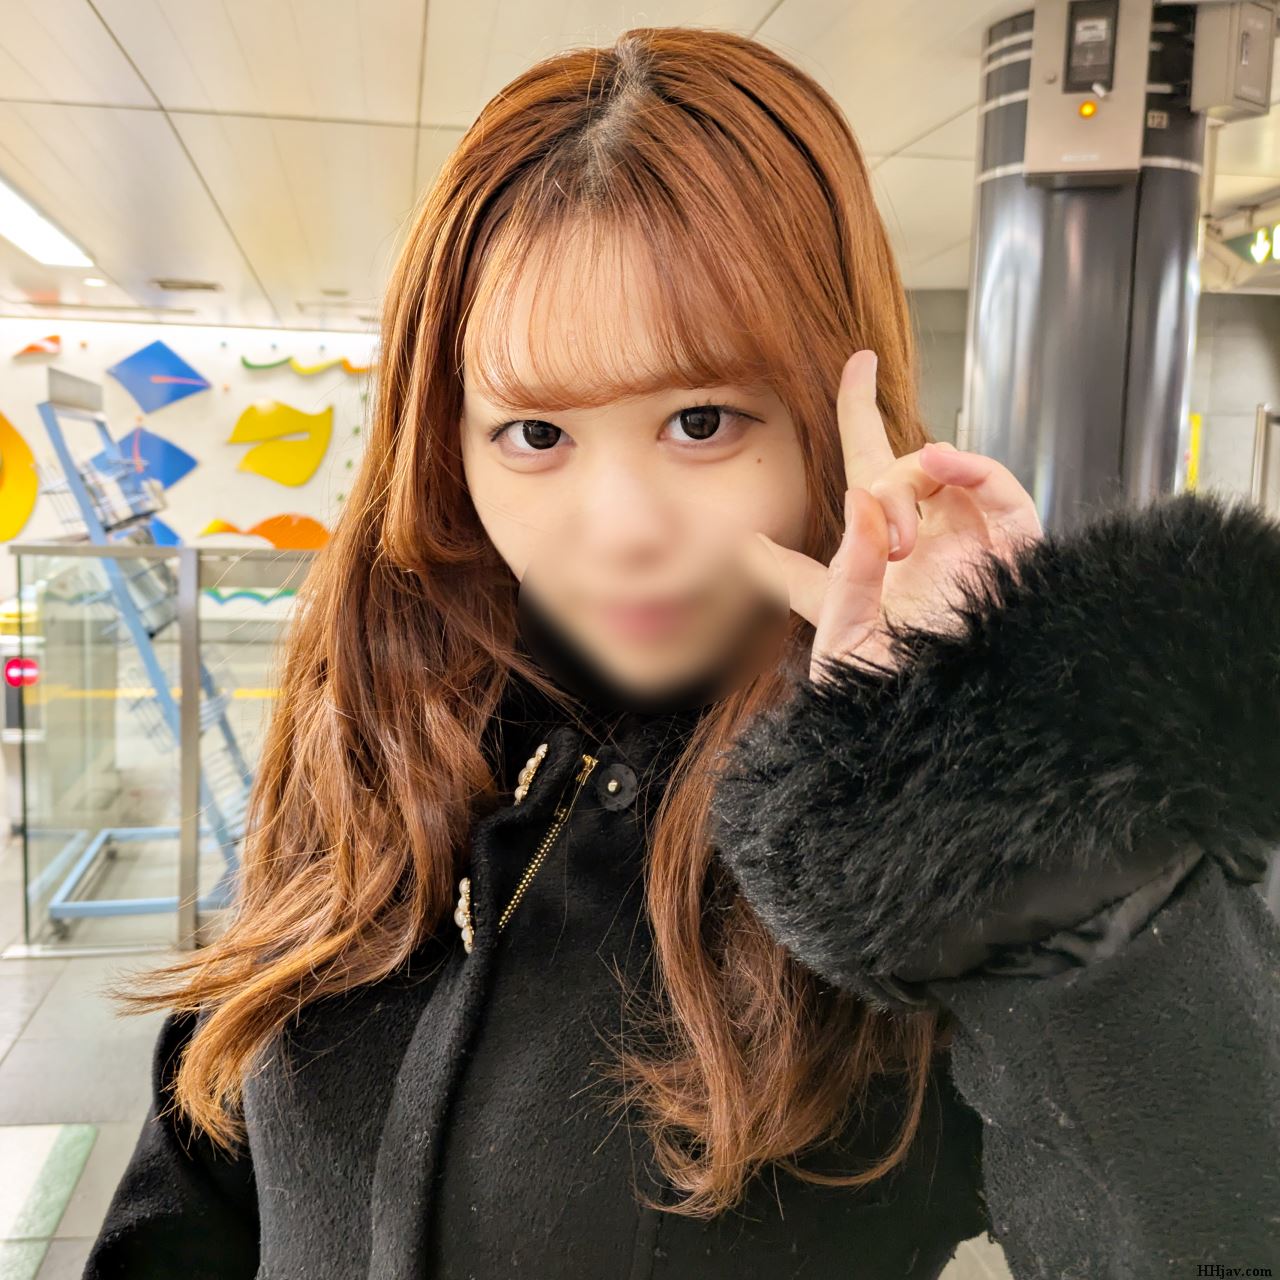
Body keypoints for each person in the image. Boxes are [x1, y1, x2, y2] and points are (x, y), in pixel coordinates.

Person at [83, 25, 1279, 1280]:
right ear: (447, 445)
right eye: (534, 433)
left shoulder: (888, 825)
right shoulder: (385, 716)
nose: (619, 530)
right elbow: (204, 1152)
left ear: (826, 415)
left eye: (701, 420)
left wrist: (992, 777)